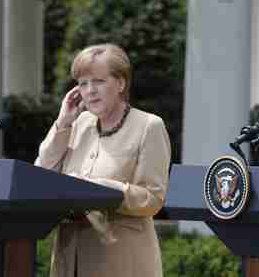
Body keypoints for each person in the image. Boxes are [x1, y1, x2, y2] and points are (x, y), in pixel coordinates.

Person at [35, 44, 171, 277]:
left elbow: (153, 198)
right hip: (70, 258)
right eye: (82, 83)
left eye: (98, 81)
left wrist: (102, 190)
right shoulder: (78, 124)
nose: (89, 91)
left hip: (120, 261)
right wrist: (63, 122)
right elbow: (42, 172)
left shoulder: (149, 126)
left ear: (120, 83)